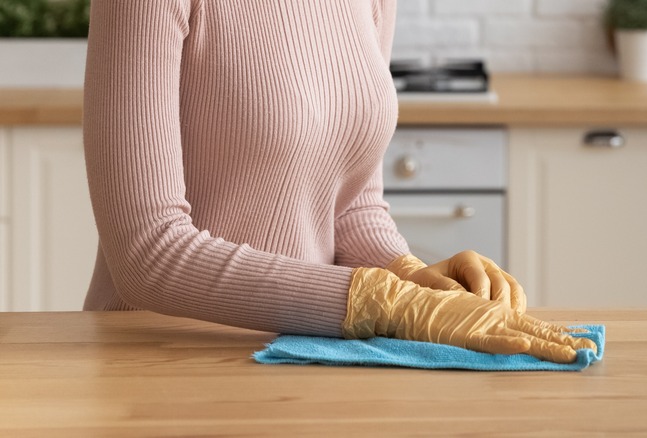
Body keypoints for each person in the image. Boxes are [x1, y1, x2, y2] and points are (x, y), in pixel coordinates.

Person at [82, 0, 595, 363]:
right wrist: (383, 302)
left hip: (305, 352)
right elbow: (145, 252)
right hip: (160, 362)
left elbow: (352, 206)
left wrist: (410, 275)